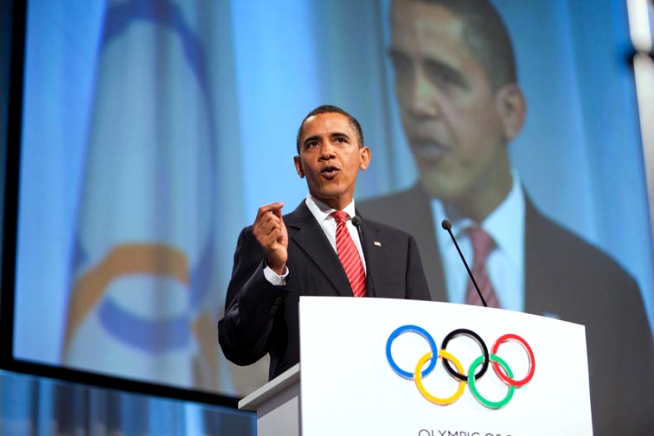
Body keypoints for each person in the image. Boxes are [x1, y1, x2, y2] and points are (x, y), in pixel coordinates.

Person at [359, 0, 654, 434]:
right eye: (403, 68)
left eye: (445, 76)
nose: (417, 103)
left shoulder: (608, 291)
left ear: (510, 111)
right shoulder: (359, 242)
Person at [218, 105, 431, 380]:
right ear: (299, 166)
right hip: (310, 406)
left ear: (364, 157)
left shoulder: (399, 246)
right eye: (313, 144)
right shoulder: (270, 239)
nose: (327, 152)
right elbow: (238, 346)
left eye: (340, 140)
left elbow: (425, 339)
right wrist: (273, 270)